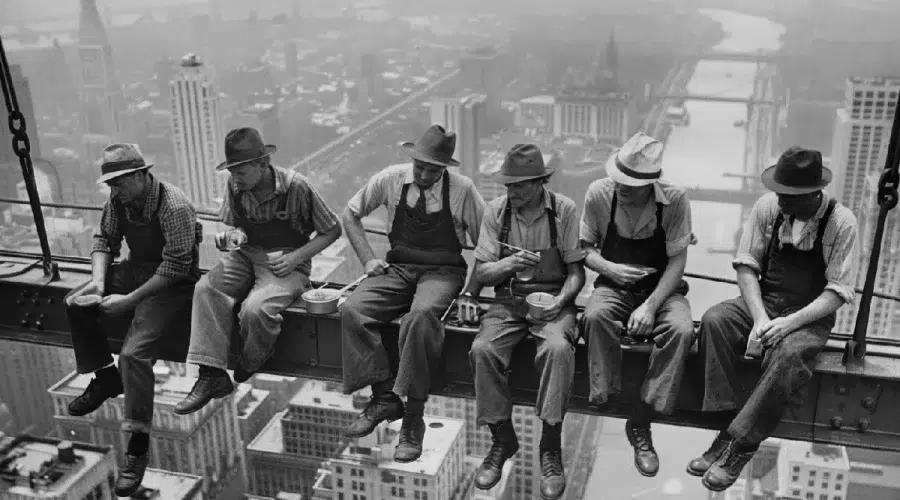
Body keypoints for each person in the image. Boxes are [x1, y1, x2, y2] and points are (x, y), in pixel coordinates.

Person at [690, 147, 858, 492]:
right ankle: (726, 426)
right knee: (715, 321)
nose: (781, 202)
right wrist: (760, 317)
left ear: (814, 193)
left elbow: (837, 291)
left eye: (790, 197)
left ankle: (742, 446)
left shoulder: (841, 223)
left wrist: (790, 323)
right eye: (780, 193)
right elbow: (746, 264)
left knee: (789, 356)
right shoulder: (768, 207)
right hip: (763, 302)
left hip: (809, 315)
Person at [341, 125, 485, 462]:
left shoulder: (463, 190)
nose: (422, 173)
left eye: (431, 169)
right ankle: (383, 397)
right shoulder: (391, 179)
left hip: (443, 271)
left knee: (420, 318)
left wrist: (471, 293)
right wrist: (367, 259)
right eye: (418, 165)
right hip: (399, 267)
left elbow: (486, 246)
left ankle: (414, 416)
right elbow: (350, 214)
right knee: (352, 309)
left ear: (445, 168)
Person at [64, 143, 202, 496]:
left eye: (120, 183)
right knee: (76, 302)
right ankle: (106, 377)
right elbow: (104, 240)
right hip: (136, 270)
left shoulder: (174, 206)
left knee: (134, 353)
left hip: (171, 284)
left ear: (142, 175)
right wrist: (98, 282)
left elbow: (177, 267)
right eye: (111, 184)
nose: (115, 191)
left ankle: (137, 445)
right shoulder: (119, 201)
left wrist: (129, 301)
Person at [175, 128, 341, 414]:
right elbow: (233, 223)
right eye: (232, 170)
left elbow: (332, 230)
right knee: (206, 289)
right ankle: (210, 374)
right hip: (246, 254)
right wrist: (236, 235)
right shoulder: (235, 186)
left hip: (286, 260)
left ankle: (252, 359)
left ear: (262, 164)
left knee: (256, 310)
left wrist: (296, 258)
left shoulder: (296, 187)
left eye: (241, 170)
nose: (235, 177)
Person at [460, 144, 584, 500]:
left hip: (554, 300)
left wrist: (562, 300)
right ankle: (501, 438)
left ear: (539, 183)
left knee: (558, 349)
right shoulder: (496, 213)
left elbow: (576, 272)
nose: (510, 193)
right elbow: (483, 271)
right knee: (482, 349)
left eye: (518, 186)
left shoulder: (563, 211)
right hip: (509, 299)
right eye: (508, 186)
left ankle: (550, 446)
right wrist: (508, 266)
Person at [579, 132, 696, 477]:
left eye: (629, 184)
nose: (621, 188)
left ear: (651, 184)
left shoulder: (674, 202)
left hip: (661, 289)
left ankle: (642, 420)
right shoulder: (600, 194)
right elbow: (584, 248)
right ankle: (605, 393)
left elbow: (677, 262)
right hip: (613, 285)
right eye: (618, 180)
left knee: (681, 330)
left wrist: (650, 305)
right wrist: (611, 268)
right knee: (595, 316)